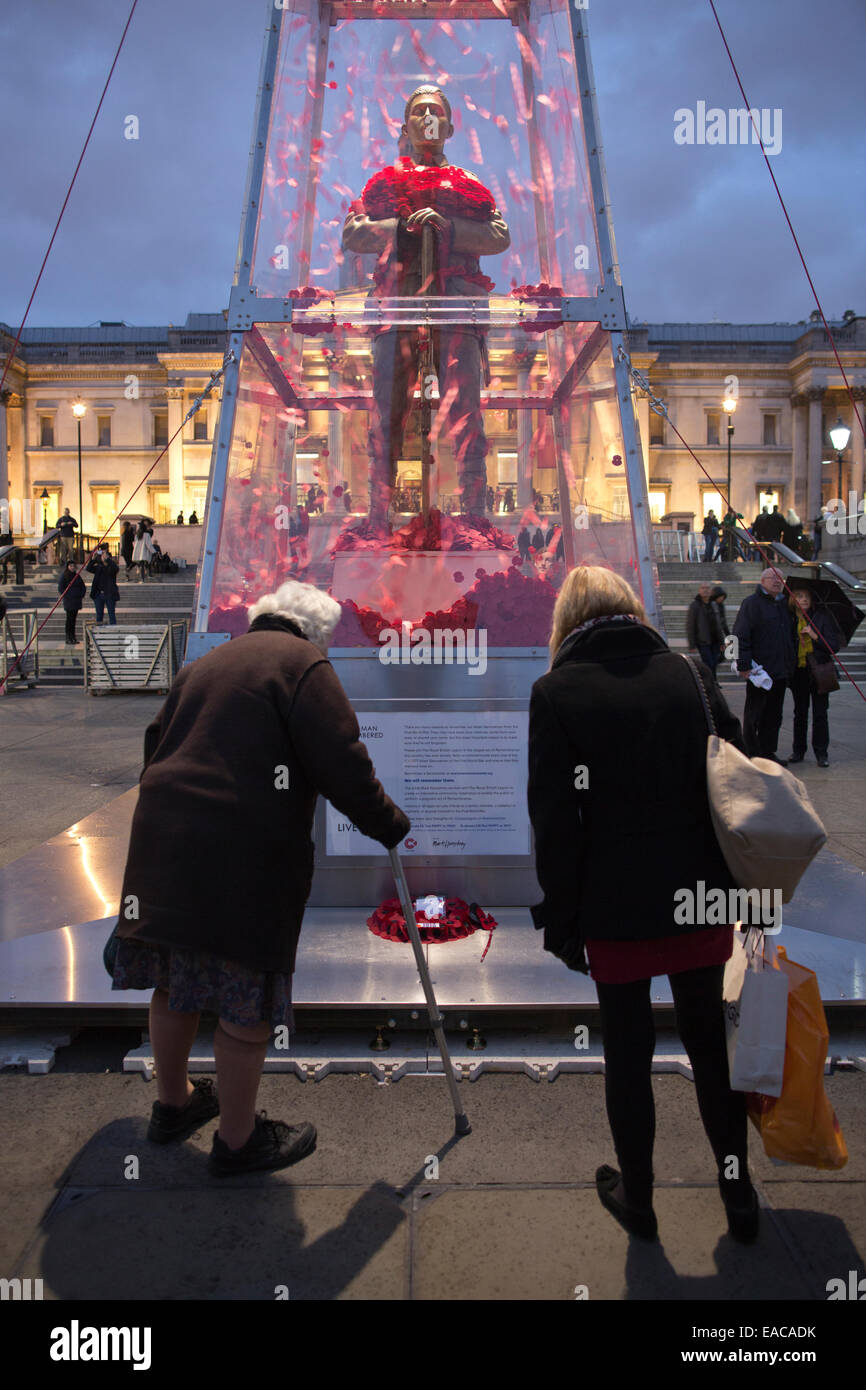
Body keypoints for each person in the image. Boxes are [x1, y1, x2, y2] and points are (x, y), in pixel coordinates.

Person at [109, 580, 410, 1176]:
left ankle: (173, 1105)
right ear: (315, 632)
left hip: (163, 847)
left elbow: (154, 744)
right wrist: (389, 823)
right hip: (241, 859)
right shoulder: (303, 665)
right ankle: (239, 1141)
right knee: (246, 997)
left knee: (174, 980)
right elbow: (343, 760)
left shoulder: (205, 663)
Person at [528, 565, 757, 1243]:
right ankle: (738, 1195)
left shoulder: (556, 691)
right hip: (698, 899)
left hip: (615, 906)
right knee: (710, 1047)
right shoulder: (689, 674)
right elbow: (738, 764)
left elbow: (554, 823)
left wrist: (562, 921)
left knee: (627, 1055)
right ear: (632, 609)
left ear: (567, 621)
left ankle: (641, 1198)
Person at [342, 85, 510, 524]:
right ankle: (379, 516)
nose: (429, 117)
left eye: (436, 111)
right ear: (406, 126)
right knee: (387, 415)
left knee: (466, 412)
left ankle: (475, 513)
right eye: (420, 111)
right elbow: (353, 235)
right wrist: (400, 228)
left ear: (450, 127)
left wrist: (447, 227)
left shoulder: (469, 184)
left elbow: (499, 235)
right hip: (397, 310)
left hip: (457, 311)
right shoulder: (382, 182)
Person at [731, 567, 796, 762]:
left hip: (781, 670)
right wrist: (743, 664)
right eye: (772, 578)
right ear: (762, 581)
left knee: (774, 715)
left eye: (780, 578)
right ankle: (751, 752)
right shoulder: (752, 604)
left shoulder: (786, 605)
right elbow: (738, 635)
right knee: (755, 714)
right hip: (760, 671)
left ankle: (768, 752)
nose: (777, 581)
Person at [788, 588, 843, 767]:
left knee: (820, 714)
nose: (803, 600)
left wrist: (814, 636)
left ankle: (821, 753)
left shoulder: (821, 617)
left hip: (819, 670)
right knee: (800, 713)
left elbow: (833, 646)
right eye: (799, 596)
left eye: (807, 596)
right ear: (792, 599)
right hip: (798, 671)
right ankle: (798, 751)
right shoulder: (789, 618)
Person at [686, 582, 724, 677]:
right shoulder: (695, 605)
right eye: (703, 588)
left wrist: (722, 641)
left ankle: (713, 681)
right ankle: (710, 681)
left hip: (715, 640)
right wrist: (692, 644)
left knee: (714, 663)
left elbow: (718, 624)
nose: (705, 590)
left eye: (707, 588)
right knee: (708, 663)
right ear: (699, 590)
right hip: (703, 641)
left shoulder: (714, 605)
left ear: (711, 591)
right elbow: (690, 625)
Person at [86, 546, 120, 624]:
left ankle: (113, 632)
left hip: (110, 594)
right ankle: (99, 633)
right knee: (99, 615)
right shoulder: (99, 567)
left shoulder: (111, 568)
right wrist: (93, 559)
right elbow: (88, 568)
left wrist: (107, 559)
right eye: (102, 556)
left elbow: (116, 569)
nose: (103, 557)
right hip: (98, 594)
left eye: (105, 556)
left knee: (111, 614)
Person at [58, 561, 85, 644]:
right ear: (68, 567)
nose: (72, 567)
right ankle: (68, 637)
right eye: (71, 566)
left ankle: (73, 637)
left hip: (76, 601)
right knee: (69, 620)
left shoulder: (77, 576)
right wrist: (68, 595)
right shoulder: (64, 576)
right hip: (69, 601)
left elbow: (83, 587)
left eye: (73, 566)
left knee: (73, 620)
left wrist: (80, 594)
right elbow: (61, 588)